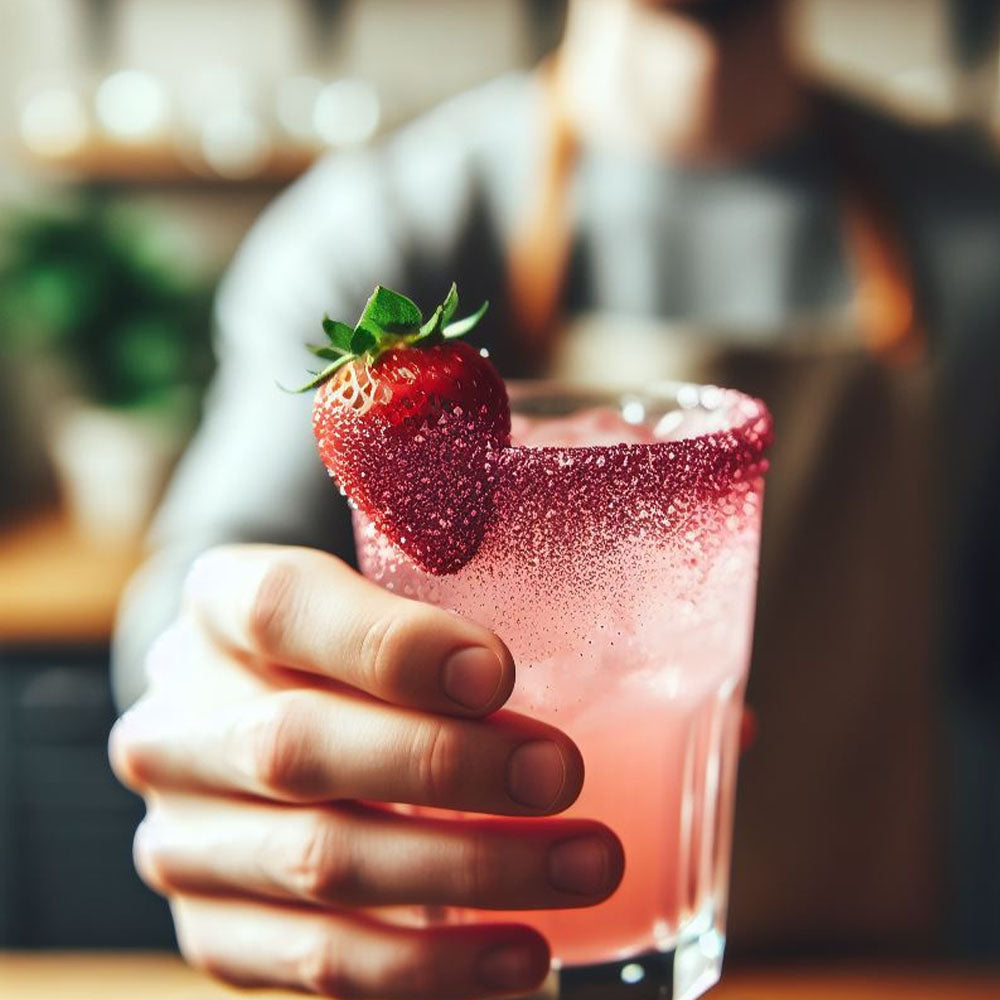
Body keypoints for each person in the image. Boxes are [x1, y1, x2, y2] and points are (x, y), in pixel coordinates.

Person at [109, 0, 1000, 995]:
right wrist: (216, 702)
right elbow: (204, 582)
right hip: (475, 970)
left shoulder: (978, 232)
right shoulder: (378, 227)